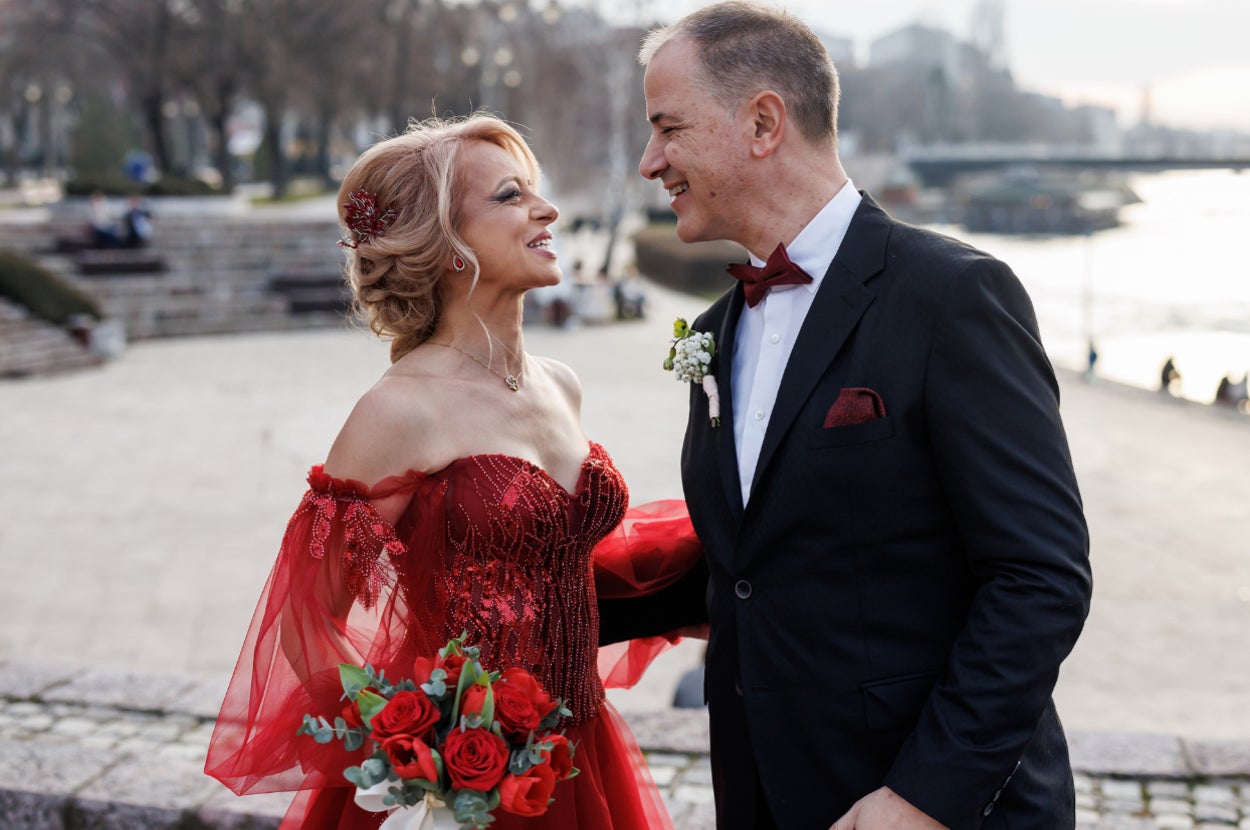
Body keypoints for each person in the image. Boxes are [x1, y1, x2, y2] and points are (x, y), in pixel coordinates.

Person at [621, 4, 1093, 829]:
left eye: (668, 129)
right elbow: (755, 564)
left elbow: (1038, 580)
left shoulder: (953, 297)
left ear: (763, 122)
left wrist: (921, 799)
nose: (648, 161)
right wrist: (531, 602)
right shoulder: (711, 332)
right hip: (765, 796)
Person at [204, 114, 706, 829]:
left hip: (582, 750)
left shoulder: (560, 384)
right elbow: (307, 618)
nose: (548, 211)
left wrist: (726, 563)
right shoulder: (399, 411)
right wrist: (412, 750)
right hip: (468, 789)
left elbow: (566, 559)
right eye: (510, 196)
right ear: (447, 248)